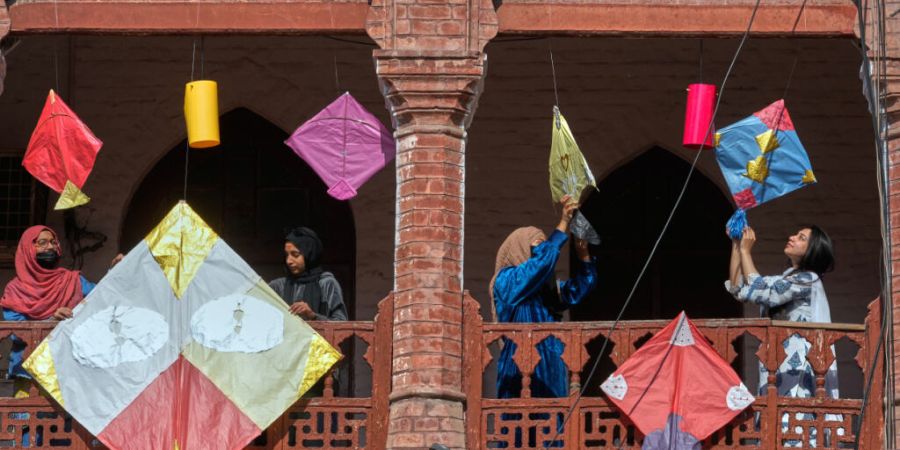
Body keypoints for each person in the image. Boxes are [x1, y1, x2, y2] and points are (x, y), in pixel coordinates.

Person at [725, 225, 840, 447]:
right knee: (774, 427)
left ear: (812, 250)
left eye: (801, 237)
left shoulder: (808, 279)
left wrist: (747, 253)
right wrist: (737, 245)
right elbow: (740, 288)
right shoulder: (788, 279)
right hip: (778, 367)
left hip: (799, 371)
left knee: (795, 430)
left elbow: (763, 291)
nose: (792, 237)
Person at [491, 195, 598, 399]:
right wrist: (564, 222)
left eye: (543, 246)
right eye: (536, 247)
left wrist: (582, 253)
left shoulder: (545, 289)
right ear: (520, 248)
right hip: (519, 367)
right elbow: (540, 265)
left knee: (553, 426)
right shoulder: (505, 280)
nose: (542, 251)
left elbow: (581, 288)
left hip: (550, 367)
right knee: (518, 426)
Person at [269, 227, 347, 321]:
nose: (288, 261)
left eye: (295, 255)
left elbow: (341, 323)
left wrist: (313, 316)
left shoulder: (326, 284)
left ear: (309, 255)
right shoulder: (278, 286)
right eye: (287, 255)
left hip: (318, 336)